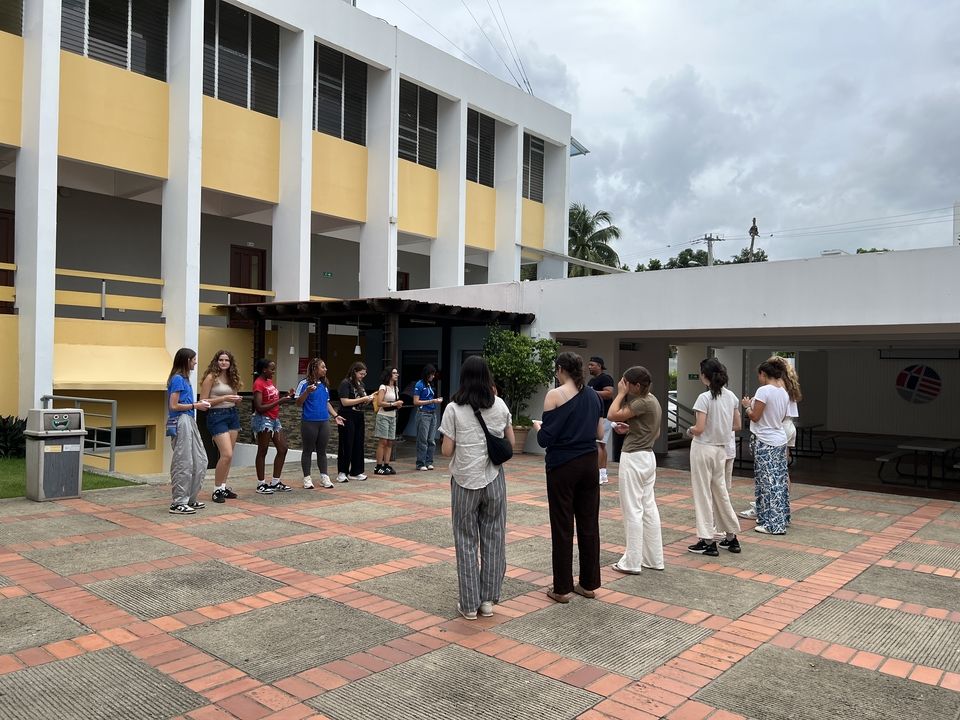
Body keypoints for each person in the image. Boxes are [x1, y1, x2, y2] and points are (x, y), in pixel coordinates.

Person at [439, 355, 514, 620]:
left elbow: (447, 451)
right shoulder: (500, 405)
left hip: (464, 481)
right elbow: (510, 442)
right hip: (494, 480)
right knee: (494, 539)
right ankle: (488, 601)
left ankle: (469, 604)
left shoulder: (453, 409)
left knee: (466, 540)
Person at [532, 352, 604, 603]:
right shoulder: (594, 397)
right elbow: (599, 431)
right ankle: (588, 584)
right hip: (589, 462)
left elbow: (545, 438)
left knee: (562, 525)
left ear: (561, 369)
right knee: (588, 523)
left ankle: (562, 587)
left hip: (563, 464)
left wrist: (539, 427)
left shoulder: (555, 395)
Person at [608, 365, 664, 574]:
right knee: (648, 507)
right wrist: (632, 429)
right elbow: (654, 433)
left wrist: (621, 394)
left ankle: (631, 561)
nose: (623, 386)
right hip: (648, 456)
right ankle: (654, 559)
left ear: (636, 385)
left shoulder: (640, 402)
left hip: (634, 457)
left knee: (632, 509)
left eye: (626, 383)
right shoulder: (653, 401)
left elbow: (613, 414)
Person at [686, 358, 742, 556]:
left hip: (703, 449)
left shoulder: (704, 398)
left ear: (705, 376)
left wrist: (689, 430)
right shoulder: (731, 397)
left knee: (702, 494)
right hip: (721, 449)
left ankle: (708, 540)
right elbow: (737, 425)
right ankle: (731, 537)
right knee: (721, 493)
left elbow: (699, 428)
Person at [740, 356, 802, 520]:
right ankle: (781, 515)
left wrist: (747, 407)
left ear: (764, 373)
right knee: (780, 475)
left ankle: (771, 520)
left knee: (767, 479)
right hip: (781, 433)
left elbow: (755, 416)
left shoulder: (765, 390)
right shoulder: (784, 389)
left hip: (767, 438)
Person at [166, 348, 210, 515]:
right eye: (193, 359)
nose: (195, 362)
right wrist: (195, 405)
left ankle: (190, 498)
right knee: (184, 462)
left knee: (200, 460)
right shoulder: (177, 379)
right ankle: (178, 502)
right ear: (186, 361)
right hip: (181, 420)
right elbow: (174, 405)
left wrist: (197, 404)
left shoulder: (185, 379)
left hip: (189, 419)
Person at [198, 350, 243, 503]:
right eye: (221, 360)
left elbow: (233, 396)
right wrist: (224, 397)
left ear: (231, 363)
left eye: (227, 360)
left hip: (232, 414)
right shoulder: (211, 377)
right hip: (217, 416)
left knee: (229, 456)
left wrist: (236, 399)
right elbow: (203, 402)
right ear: (216, 361)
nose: (224, 362)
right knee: (226, 454)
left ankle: (223, 487)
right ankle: (216, 490)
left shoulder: (232, 378)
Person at [295, 357, 345, 489]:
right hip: (309, 421)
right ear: (314, 368)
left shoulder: (324, 385)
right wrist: (307, 392)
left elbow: (326, 402)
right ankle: (307, 478)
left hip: (324, 421)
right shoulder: (304, 384)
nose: (325, 369)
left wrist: (335, 416)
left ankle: (324, 477)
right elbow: (298, 403)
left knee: (322, 451)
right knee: (308, 450)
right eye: (323, 367)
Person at [252, 359, 295, 494]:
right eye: (272, 369)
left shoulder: (269, 381)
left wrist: (286, 396)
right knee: (262, 451)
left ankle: (275, 482)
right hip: (263, 419)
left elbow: (272, 399)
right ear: (264, 370)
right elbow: (259, 407)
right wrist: (280, 402)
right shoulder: (258, 383)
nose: (273, 371)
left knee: (283, 448)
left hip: (274, 419)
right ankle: (261, 484)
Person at [337, 362, 375, 482]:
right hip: (347, 415)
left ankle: (356, 471)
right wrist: (363, 398)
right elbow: (344, 402)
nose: (362, 376)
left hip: (359, 415)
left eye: (364, 374)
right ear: (354, 372)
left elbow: (361, 401)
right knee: (346, 443)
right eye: (360, 373)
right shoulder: (345, 383)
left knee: (358, 443)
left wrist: (369, 398)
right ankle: (342, 471)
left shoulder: (361, 384)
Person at [587, 356, 615, 484]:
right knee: (601, 444)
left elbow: (609, 393)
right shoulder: (592, 381)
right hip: (596, 416)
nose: (589, 367)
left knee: (599, 444)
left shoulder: (605, 378)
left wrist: (590, 393)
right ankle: (603, 474)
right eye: (589, 365)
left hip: (604, 416)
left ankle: (599, 473)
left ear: (599, 365)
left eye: (592, 365)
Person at [374, 367, 404, 475]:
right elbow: (379, 403)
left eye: (397, 373)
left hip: (392, 416)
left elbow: (394, 403)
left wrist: (397, 405)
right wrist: (393, 404)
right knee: (383, 442)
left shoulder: (396, 388)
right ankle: (378, 466)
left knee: (390, 441)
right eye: (394, 373)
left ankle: (386, 464)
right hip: (383, 416)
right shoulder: (383, 387)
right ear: (389, 374)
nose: (397, 375)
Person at [413, 364, 443, 471]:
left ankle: (429, 461)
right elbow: (416, 401)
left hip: (432, 413)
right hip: (423, 413)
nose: (433, 376)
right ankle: (420, 463)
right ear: (427, 374)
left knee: (431, 439)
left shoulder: (429, 384)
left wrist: (435, 400)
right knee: (423, 439)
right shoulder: (419, 384)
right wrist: (432, 401)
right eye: (432, 374)